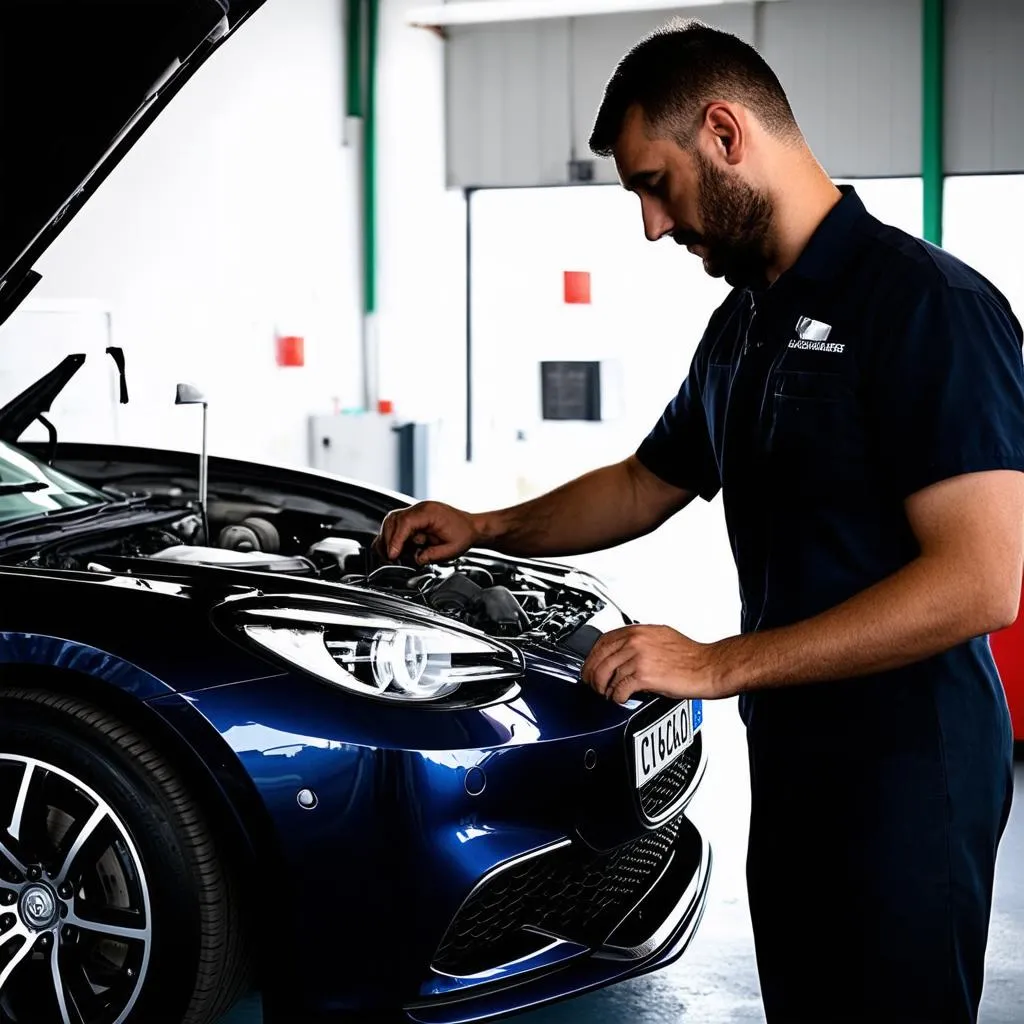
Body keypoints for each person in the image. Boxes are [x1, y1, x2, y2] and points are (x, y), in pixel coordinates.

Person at [373, 19, 1024, 1024]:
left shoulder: (926, 306)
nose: (649, 223)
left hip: (909, 769)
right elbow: (646, 480)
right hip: (795, 754)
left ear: (723, 132)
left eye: (652, 182)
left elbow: (981, 579)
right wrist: (484, 522)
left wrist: (715, 663)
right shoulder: (743, 326)